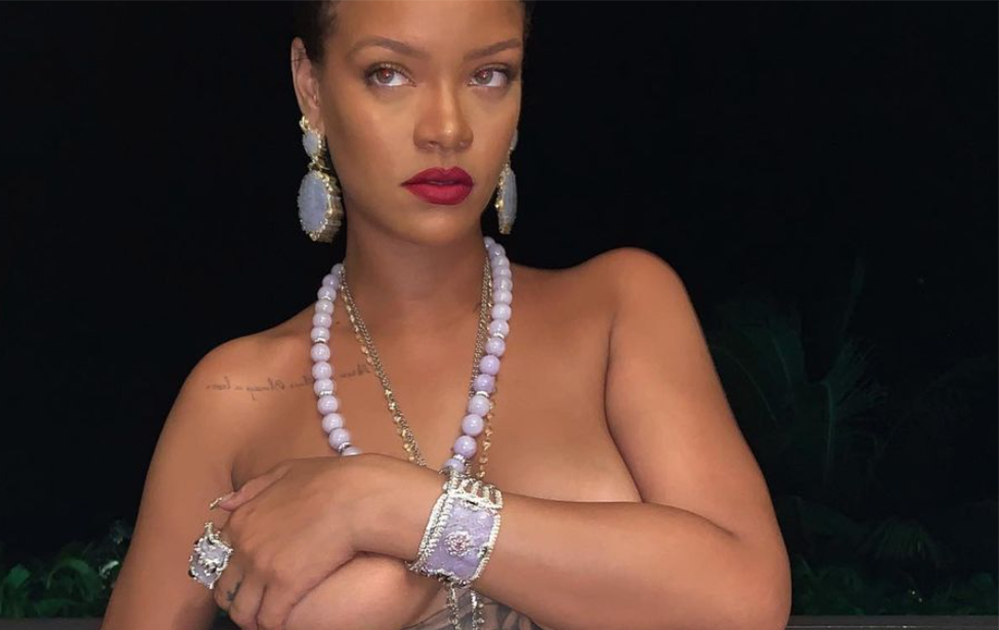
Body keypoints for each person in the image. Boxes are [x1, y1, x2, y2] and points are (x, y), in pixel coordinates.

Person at [100, 2, 792, 630]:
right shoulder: (234, 397)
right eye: (389, 74)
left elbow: (746, 594)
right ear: (310, 86)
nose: (448, 129)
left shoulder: (618, 309)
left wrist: (384, 505)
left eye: (488, 75)